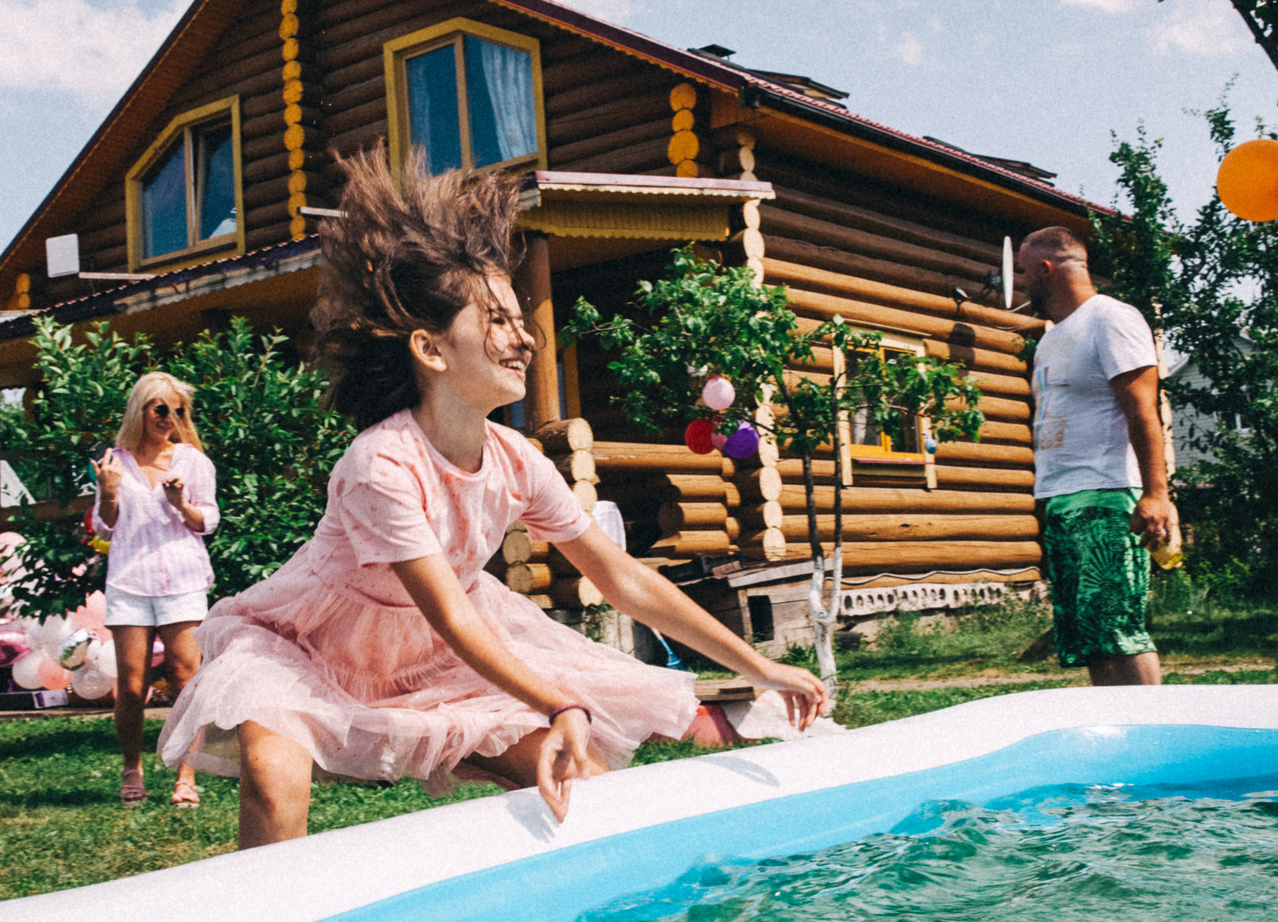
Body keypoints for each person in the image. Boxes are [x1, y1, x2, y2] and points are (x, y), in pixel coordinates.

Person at [160, 149, 828, 847]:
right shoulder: (380, 464)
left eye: (519, 318)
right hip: (305, 646)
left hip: (431, 658)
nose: (526, 337)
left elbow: (620, 576)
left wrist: (757, 665)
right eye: (497, 320)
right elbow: (449, 611)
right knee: (273, 776)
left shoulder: (516, 461)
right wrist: (557, 697)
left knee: (579, 771)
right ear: (432, 349)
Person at [1016, 225, 1179, 685]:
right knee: (1089, 634)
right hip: (1063, 499)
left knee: (1119, 630)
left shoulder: (1111, 319)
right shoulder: (1050, 339)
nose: (1022, 284)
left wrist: (1156, 495)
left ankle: (1153, 737)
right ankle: (1121, 742)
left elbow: (1143, 409)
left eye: (1026, 273)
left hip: (1108, 496)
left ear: (1047, 270)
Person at [97, 372, 219, 808]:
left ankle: (186, 775)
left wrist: (180, 505)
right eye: (161, 409)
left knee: (185, 678)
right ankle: (133, 768)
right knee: (132, 687)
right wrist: (107, 492)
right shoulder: (116, 461)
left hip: (181, 580)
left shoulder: (193, 462)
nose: (169, 418)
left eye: (178, 411)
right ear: (141, 410)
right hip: (129, 581)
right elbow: (103, 527)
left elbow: (209, 521)